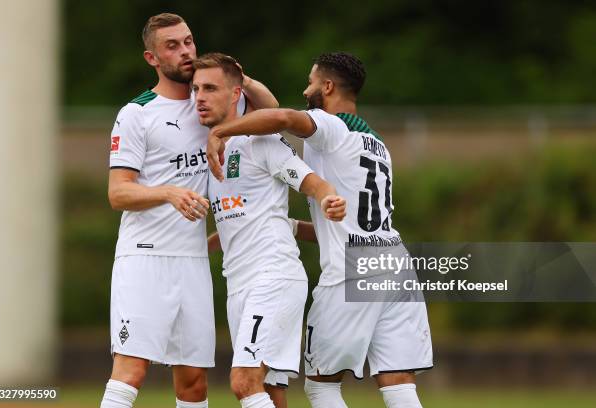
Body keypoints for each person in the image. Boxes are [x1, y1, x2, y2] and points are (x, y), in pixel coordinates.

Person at [205, 52, 433, 408]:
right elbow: (351, 221)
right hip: (395, 264)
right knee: (398, 383)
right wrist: (290, 226)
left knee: (321, 386)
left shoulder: (332, 126)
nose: (305, 89)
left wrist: (220, 130)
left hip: (351, 271)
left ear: (327, 86)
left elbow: (280, 116)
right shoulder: (378, 144)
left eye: (311, 81)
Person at [102, 13, 278, 408]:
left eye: (188, 42)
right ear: (152, 58)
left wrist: (237, 77)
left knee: (195, 383)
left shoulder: (211, 101)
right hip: (145, 258)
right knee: (132, 371)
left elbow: (270, 108)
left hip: (193, 261)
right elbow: (118, 194)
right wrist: (168, 193)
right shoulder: (137, 114)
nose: (184, 51)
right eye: (172, 46)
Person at [192, 53, 346, 408]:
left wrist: (329, 200)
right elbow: (237, 220)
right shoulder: (212, 151)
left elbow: (313, 183)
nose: (199, 96)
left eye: (211, 88)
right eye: (196, 88)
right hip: (239, 285)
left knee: (244, 382)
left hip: (273, 278)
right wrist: (199, 249)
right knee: (272, 392)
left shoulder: (260, 142)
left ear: (235, 94)